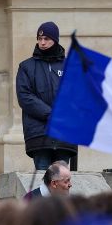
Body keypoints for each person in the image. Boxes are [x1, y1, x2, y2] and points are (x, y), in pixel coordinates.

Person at [16, 21, 77, 170]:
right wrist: (50, 115)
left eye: (47, 39)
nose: (42, 42)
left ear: (55, 40)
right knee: (43, 179)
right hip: (39, 134)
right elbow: (25, 96)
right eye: (39, 38)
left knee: (62, 180)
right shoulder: (26, 66)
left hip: (64, 132)